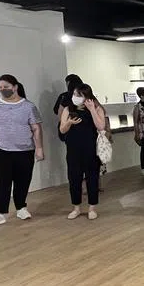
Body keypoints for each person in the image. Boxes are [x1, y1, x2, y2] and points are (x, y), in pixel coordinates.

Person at [0, 74, 44, 228]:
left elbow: (36, 128)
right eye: (1, 87)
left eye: (6, 87)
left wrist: (39, 148)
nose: (3, 90)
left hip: (25, 150)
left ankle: (21, 207)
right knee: (2, 182)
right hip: (2, 150)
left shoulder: (28, 106)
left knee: (23, 180)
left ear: (15, 87)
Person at [59, 83, 106, 220]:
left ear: (87, 96)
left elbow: (101, 126)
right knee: (74, 179)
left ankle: (92, 208)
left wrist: (92, 110)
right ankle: (76, 208)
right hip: (73, 149)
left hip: (91, 149)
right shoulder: (68, 109)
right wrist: (69, 123)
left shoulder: (97, 108)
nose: (75, 97)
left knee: (92, 178)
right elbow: (62, 129)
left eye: (79, 95)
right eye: (74, 94)